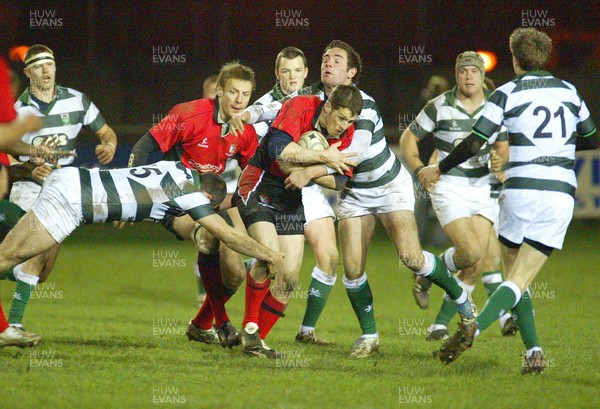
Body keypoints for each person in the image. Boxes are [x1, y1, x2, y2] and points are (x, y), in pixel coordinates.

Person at [233, 41, 477, 359]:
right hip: (352, 192)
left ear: (351, 72)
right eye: (325, 58)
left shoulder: (365, 105)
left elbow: (354, 156)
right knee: (350, 267)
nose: (328, 63)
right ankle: (369, 335)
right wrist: (245, 113)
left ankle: (462, 300)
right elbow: (271, 104)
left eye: (337, 60)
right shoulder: (310, 97)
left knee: (412, 258)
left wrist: (307, 172)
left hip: (388, 186)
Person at [419, 27, 597, 373]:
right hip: (560, 193)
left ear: (515, 59)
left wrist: (440, 166)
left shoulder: (506, 93)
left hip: (520, 190)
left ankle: (477, 327)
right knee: (520, 279)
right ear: (545, 57)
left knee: (513, 275)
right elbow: (590, 138)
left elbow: (475, 143)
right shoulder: (570, 91)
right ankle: (532, 352)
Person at [0, 161, 285, 329]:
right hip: (75, 199)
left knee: (31, 266)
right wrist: (271, 255)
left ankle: (7, 328)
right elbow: (228, 235)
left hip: (74, 179)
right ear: (208, 198)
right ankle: (8, 329)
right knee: (13, 256)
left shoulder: (176, 169)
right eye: (210, 206)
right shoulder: (192, 195)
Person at [129, 61, 260, 348]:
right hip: (174, 200)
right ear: (219, 92)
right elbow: (145, 147)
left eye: (246, 94)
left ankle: (200, 326)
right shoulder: (188, 114)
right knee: (211, 235)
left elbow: (251, 174)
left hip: (207, 202)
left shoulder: (246, 131)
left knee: (237, 273)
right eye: (233, 92)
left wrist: (244, 200)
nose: (239, 100)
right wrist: (132, 195)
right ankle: (223, 323)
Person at [0, 44, 118, 336]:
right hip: (29, 186)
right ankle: (13, 324)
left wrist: (110, 145)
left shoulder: (77, 101)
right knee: (39, 244)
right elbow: (8, 149)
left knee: (40, 271)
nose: (45, 71)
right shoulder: (18, 107)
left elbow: (105, 132)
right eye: (38, 66)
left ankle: (7, 271)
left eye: (49, 64)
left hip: (64, 189)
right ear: (27, 73)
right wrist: (27, 167)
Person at [236, 84, 362, 358]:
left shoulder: (348, 132)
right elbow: (279, 150)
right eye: (341, 118)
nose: (344, 126)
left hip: (292, 195)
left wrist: (309, 174)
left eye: (350, 121)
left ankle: (256, 342)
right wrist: (323, 158)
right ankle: (248, 328)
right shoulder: (300, 106)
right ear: (328, 107)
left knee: (289, 279)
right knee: (269, 258)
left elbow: (341, 180)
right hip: (259, 185)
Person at [400, 51, 515, 341]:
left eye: (473, 72)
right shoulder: (439, 106)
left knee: (473, 264)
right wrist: (419, 169)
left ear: (480, 75)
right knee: (473, 253)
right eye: (463, 71)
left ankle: (433, 300)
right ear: (456, 74)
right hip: (449, 186)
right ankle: (441, 298)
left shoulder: (494, 108)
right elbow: (408, 139)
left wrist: (501, 166)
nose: (468, 77)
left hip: (483, 187)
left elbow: (502, 146)